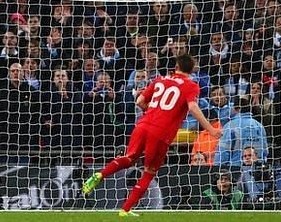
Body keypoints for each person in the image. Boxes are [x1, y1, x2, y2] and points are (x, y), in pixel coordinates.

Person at [81, 54, 222, 217]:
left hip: (142, 125)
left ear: (176, 67)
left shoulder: (159, 80)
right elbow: (193, 108)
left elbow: (139, 101)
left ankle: (100, 174)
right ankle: (125, 210)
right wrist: (211, 130)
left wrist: (153, 112)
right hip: (161, 133)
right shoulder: (191, 86)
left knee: (129, 158)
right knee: (149, 171)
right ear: (191, 70)